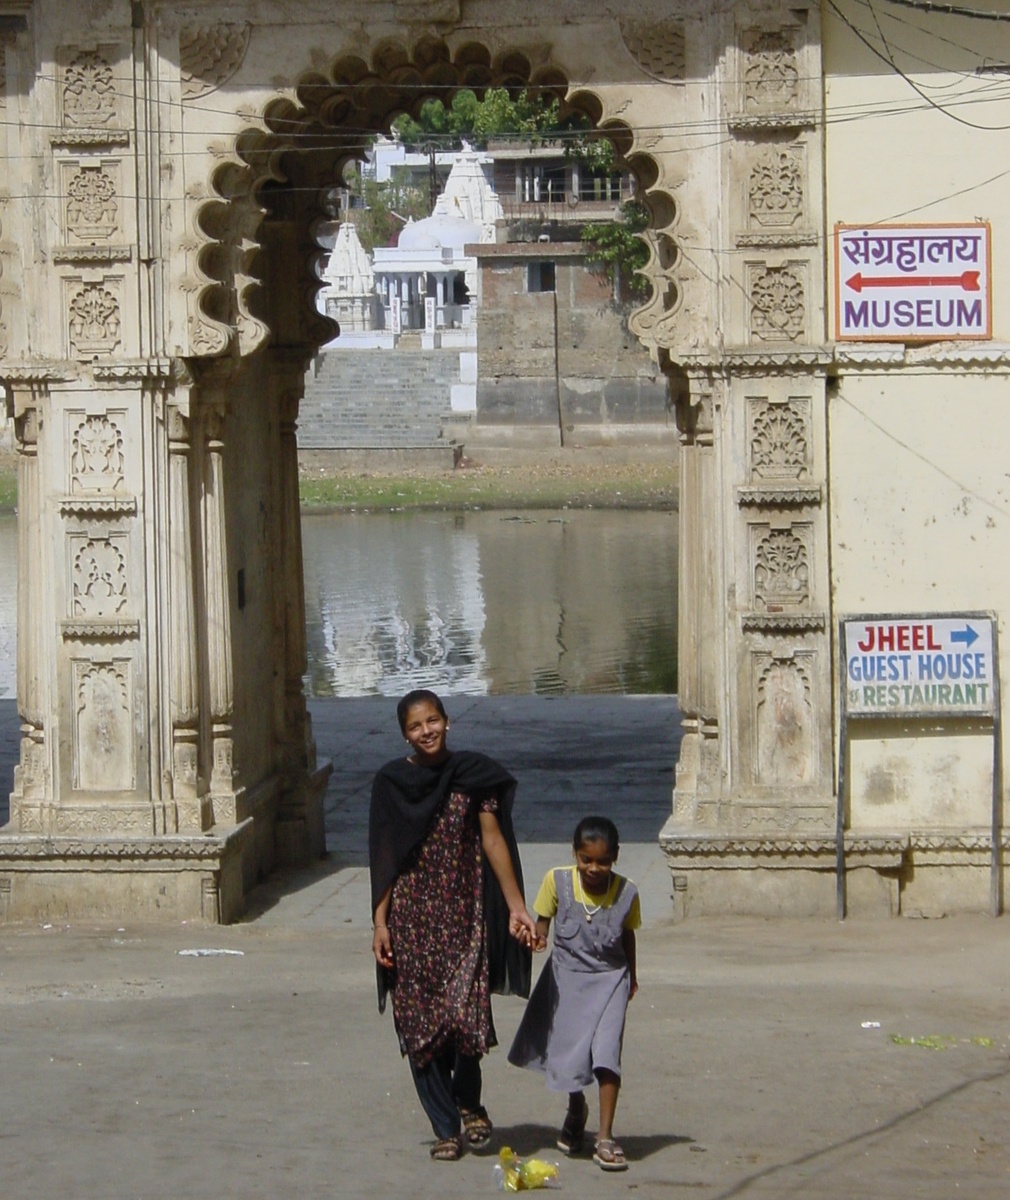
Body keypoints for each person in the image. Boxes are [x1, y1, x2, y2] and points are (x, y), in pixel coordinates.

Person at [369, 689, 538, 1162]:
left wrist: (517, 906)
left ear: (447, 721)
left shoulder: (472, 776)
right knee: (420, 1027)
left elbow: (492, 840)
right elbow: (382, 857)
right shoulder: (392, 783)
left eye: (433, 721)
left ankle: (469, 1103)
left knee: (466, 1020)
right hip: (411, 922)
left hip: (464, 917)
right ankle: (445, 1127)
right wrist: (380, 923)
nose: (427, 731)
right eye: (416, 726)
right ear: (404, 733)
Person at [507, 815, 640, 1172]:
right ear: (575, 854)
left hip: (612, 979)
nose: (593, 868)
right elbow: (542, 926)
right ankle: (575, 1107)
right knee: (572, 1056)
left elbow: (628, 935)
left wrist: (633, 977)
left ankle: (606, 1136)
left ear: (615, 858)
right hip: (567, 981)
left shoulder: (627, 893)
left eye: (603, 861)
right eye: (586, 860)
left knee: (608, 1054)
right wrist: (536, 938)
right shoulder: (557, 882)